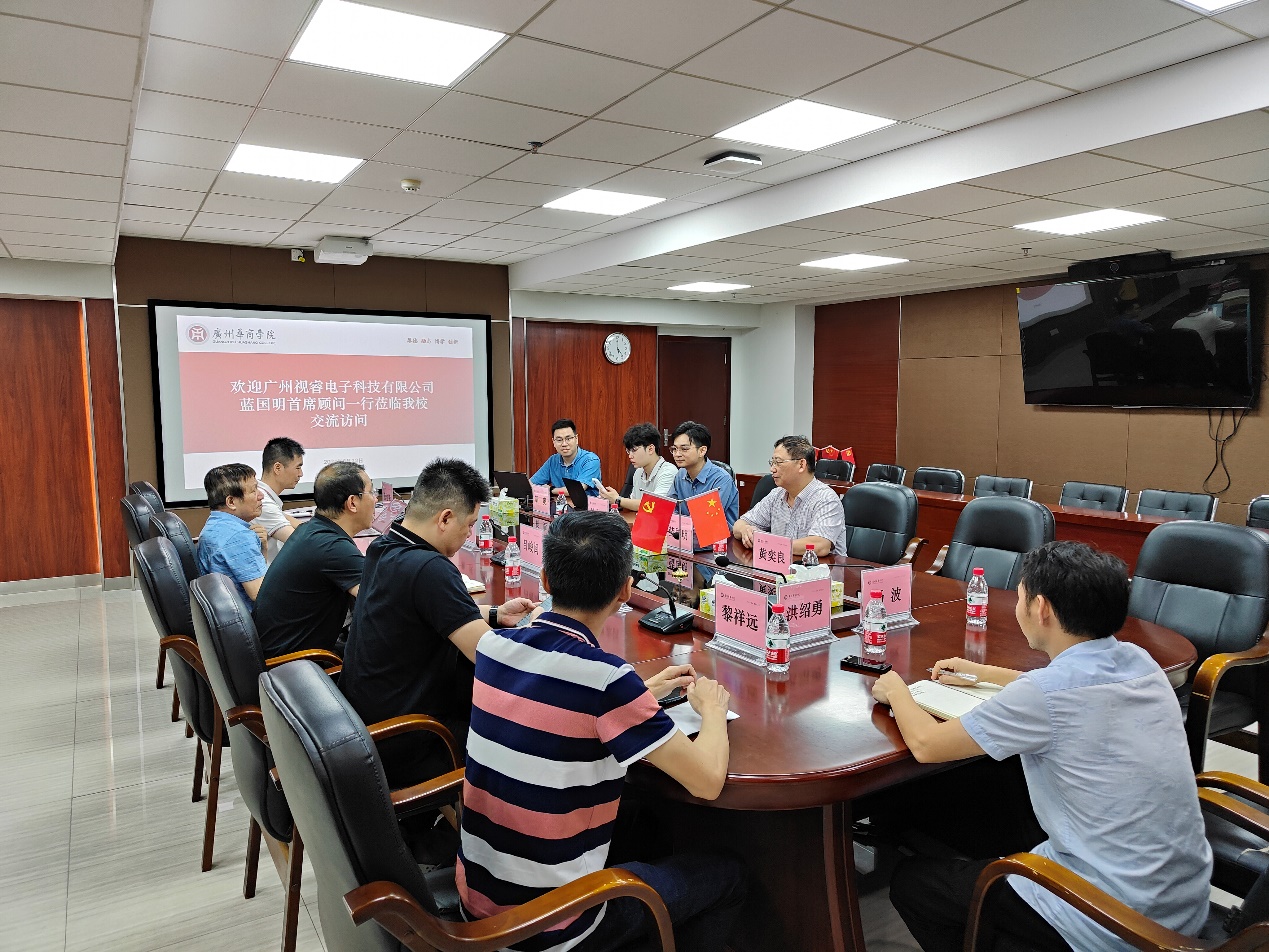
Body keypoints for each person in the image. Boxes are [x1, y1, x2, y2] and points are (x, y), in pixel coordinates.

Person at [872, 541, 1212, 952]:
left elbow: (926, 745)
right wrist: (982, 672)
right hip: (1182, 906)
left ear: (1041, 609)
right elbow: (1063, 688)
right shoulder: (1140, 662)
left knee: (914, 886)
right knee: (1000, 785)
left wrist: (896, 690)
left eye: (1020, 597)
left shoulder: (1045, 696)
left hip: (1110, 919)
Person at [457, 510, 746, 952]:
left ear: (546, 579)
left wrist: (639, 694)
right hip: (550, 925)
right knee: (728, 876)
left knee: (645, 824)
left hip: (478, 901)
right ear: (626, 590)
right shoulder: (606, 681)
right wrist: (712, 710)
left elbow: (558, 703)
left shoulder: (493, 647)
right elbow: (706, 781)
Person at [339, 458, 538, 789]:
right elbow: (495, 658)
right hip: (412, 738)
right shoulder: (430, 568)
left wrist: (494, 614)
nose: (469, 533)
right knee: (529, 738)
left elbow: (420, 612)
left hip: (367, 724)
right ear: (445, 518)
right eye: (469, 524)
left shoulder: (385, 545)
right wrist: (543, 625)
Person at [253, 461, 373, 658]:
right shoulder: (331, 547)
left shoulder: (313, 530)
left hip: (284, 651)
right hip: (295, 664)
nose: (375, 499)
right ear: (352, 502)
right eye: (371, 492)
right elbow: (382, 600)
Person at [732, 434, 847, 557]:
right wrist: (746, 531)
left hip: (821, 567)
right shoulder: (776, 494)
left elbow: (819, 546)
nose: (772, 469)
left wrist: (768, 543)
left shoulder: (826, 499)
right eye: (772, 462)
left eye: (778, 462)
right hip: (783, 565)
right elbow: (739, 525)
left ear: (801, 465)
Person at [197, 463, 268, 606]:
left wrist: (263, 548)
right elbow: (261, 593)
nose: (261, 495)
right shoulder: (238, 536)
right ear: (231, 502)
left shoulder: (215, 525)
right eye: (253, 490)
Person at [669, 421, 739, 537]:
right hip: (684, 538)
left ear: (702, 451)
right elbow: (670, 508)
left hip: (718, 542)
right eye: (674, 449)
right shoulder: (680, 475)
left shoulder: (721, 479)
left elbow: (708, 520)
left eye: (684, 449)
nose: (677, 454)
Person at [598, 422, 676, 512]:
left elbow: (655, 505)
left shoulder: (668, 471)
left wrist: (617, 499)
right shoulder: (638, 472)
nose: (630, 456)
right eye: (628, 451)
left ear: (650, 449)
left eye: (634, 450)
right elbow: (633, 505)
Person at [253, 436, 304, 563]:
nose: (301, 474)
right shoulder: (263, 502)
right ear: (277, 468)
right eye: (298, 467)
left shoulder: (266, 496)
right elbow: (301, 542)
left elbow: (301, 527)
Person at [530, 418, 602, 498]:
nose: (564, 444)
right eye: (559, 440)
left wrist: (551, 490)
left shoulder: (590, 460)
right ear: (553, 442)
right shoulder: (553, 461)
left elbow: (577, 490)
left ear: (576, 439)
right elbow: (531, 484)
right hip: (560, 505)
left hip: (586, 506)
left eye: (568, 439)